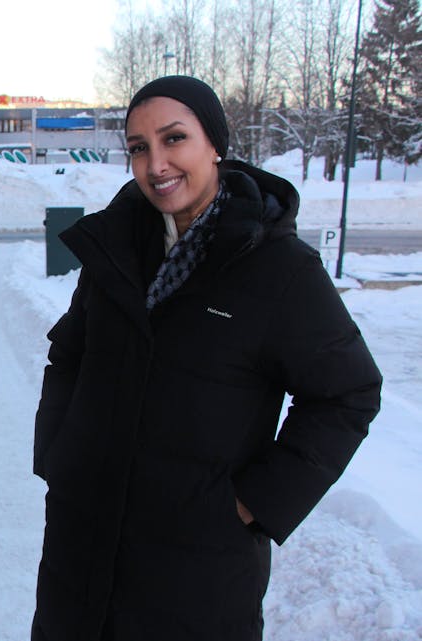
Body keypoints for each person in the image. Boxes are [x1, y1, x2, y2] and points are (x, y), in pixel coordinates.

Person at [31, 76, 382, 641]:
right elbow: (69, 354)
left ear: (214, 144)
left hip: (197, 572)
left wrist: (251, 504)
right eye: (139, 148)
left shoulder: (278, 268)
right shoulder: (116, 248)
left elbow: (349, 393)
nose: (157, 163)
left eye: (174, 139)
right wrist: (60, 452)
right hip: (82, 549)